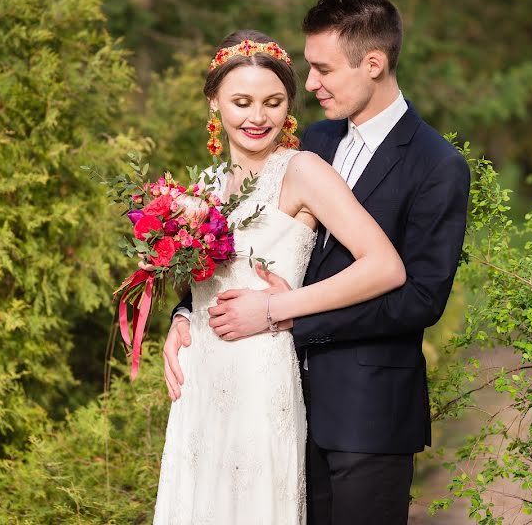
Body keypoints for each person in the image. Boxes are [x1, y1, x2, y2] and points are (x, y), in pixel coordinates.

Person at [165, 0, 471, 524]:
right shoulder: (313, 143)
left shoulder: (436, 165)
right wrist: (187, 315)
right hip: (278, 398)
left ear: (372, 63)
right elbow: (240, 246)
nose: (310, 84)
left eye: (323, 69)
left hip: (365, 412)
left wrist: (285, 315)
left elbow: (419, 299)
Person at [152, 29, 407, 525]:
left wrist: (278, 309)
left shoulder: (303, 171)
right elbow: (205, 283)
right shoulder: (203, 188)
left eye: (272, 102)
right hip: (201, 379)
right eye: (241, 102)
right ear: (214, 102)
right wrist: (182, 318)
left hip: (260, 375)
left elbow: (384, 265)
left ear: (288, 105)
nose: (257, 117)